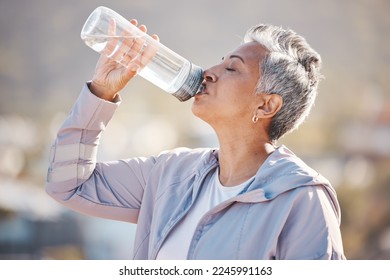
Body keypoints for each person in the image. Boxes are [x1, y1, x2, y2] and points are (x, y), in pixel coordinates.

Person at [46, 20, 346, 260]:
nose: (209, 73)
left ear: (266, 106)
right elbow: (69, 185)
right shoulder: (170, 174)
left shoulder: (301, 199)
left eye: (232, 68)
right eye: (220, 62)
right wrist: (101, 91)